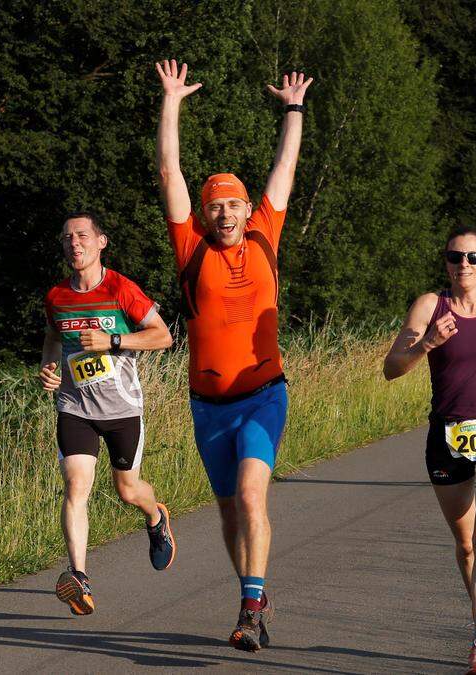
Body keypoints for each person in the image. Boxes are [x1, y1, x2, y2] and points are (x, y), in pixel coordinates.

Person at [154, 59, 312, 651]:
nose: (225, 214)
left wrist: (293, 110)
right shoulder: (190, 247)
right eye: (215, 206)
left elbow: (286, 168)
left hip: (264, 396)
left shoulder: (266, 235)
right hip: (207, 404)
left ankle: (250, 605)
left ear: (249, 212)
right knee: (227, 513)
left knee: (251, 494)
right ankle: (251, 592)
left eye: (234, 205)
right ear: (204, 213)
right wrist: (172, 100)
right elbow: (169, 169)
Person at [383, 227, 476, 675]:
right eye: (455, 257)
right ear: (446, 262)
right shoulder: (431, 306)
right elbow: (392, 368)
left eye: (473, 257)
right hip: (447, 435)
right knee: (466, 545)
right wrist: (427, 343)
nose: (463, 265)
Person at [38, 212, 176, 616]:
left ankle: (155, 516)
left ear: (101, 241)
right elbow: (52, 338)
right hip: (74, 406)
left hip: (121, 409)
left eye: (82, 236)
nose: (74, 243)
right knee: (75, 486)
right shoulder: (56, 297)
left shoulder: (120, 289)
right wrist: (48, 369)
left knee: (127, 490)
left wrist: (111, 340)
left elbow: (163, 336)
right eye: (66, 238)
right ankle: (78, 576)